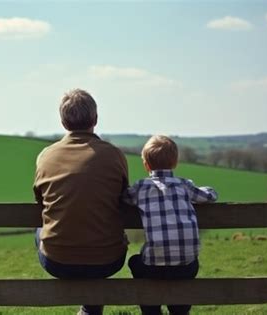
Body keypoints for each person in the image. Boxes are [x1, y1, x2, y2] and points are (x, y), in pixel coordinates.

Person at [33, 89, 129, 315]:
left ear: (62, 121)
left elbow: (40, 200)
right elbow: (123, 197)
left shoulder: (45, 156)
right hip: (108, 259)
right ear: (95, 119)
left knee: (39, 229)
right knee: (94, 244)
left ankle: (88, 309)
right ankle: (90, 309)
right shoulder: (114, 155)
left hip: (58, 260)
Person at [125, 135, 218, 315]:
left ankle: (151, 310)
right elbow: (209, 196)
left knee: (135, 261)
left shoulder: (141, 187)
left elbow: (124, 198)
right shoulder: (184, 185)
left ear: (146, 165)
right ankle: (180, 311)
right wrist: (209, 189)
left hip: (154, 267)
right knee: (184, 272)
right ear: (175, 162)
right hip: (186, 265)